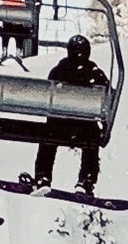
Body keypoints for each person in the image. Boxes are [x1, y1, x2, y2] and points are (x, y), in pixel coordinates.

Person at [31, 32, 111, 197]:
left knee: (47, 142)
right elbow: (107, 101)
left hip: (58, 125)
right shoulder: (95, 74)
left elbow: (50, 98)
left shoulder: (58, 71)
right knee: (91, 145)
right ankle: (86, 182)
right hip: (85, 128)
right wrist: (104, 127)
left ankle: (42, 177)